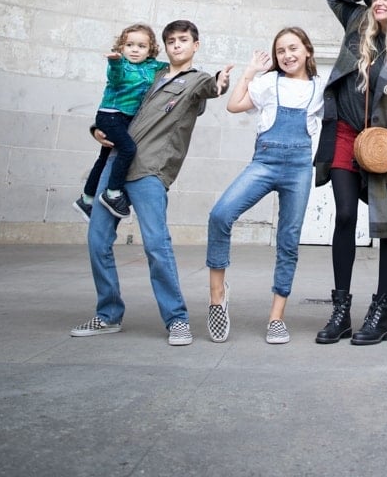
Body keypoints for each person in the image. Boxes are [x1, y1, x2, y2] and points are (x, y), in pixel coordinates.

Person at [70, 20, 231, 346]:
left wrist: (221, 82)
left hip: (150, 171)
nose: (176, 45)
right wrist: (97, 130)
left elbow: (211, 89)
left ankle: (177, 320)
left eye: (183, 40)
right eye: (170, 40)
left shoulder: (195, 80)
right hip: (116, 165)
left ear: (195, 45)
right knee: (97, 242)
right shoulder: (149, 72)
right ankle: (109, 313)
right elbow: (119, 102)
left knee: (157, 246)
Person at [313, 0, 387, 346]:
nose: (378, 3)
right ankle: (341, 309)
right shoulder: (357, 26)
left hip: (382, 147)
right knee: (344, 214)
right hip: (344, 134)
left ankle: (381, 311)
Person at [206, 27, 326, 345]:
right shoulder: (268, 82)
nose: (287, 55)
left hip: (299, 170)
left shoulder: (320, 88)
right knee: (220, 215)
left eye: (293, 48)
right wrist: (248, 73)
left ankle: (276, 318)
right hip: (264, 163)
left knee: (288, 241)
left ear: (307, 51)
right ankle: (217, 295)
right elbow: (234, 105)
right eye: (281, 51)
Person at [73, 22, 165, 221]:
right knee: (128, 149)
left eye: (141, 46)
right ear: (121, 47)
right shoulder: (120, 64)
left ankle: (87, 199)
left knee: (104, 158)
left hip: (125, 119)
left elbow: (172, 68)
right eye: (129, 45)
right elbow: (115, 78)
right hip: (111, 114)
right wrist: (114, 62)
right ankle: (113, 193)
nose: (134, 50)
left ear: (150, 50)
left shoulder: (151, 66)